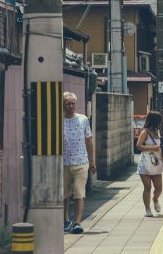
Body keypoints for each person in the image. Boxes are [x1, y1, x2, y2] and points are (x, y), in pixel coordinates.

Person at [62, 92, 96, 234]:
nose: (70, 106)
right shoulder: (58, 121)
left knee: (79, 193)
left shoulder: (83, 120)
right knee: (63, 194)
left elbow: (89, 140)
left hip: (81, 162)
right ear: (62, 105)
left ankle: (77, 222)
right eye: (67, 103)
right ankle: (65, 220)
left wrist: (92, 161)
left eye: (73, 103)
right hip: (63, 163)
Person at [136, 110, 163, 217]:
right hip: (145, 162)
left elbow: (159, 149)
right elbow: (138, 146)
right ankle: (147, 209)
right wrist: (153, 147)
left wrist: (162, 161)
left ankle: (155, 199)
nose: (159, 123)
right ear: (154, 120)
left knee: (159, 187)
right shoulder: (145, 132)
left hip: (155, 162)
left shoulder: (157, 132)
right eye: (158, 121)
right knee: (147, 187)